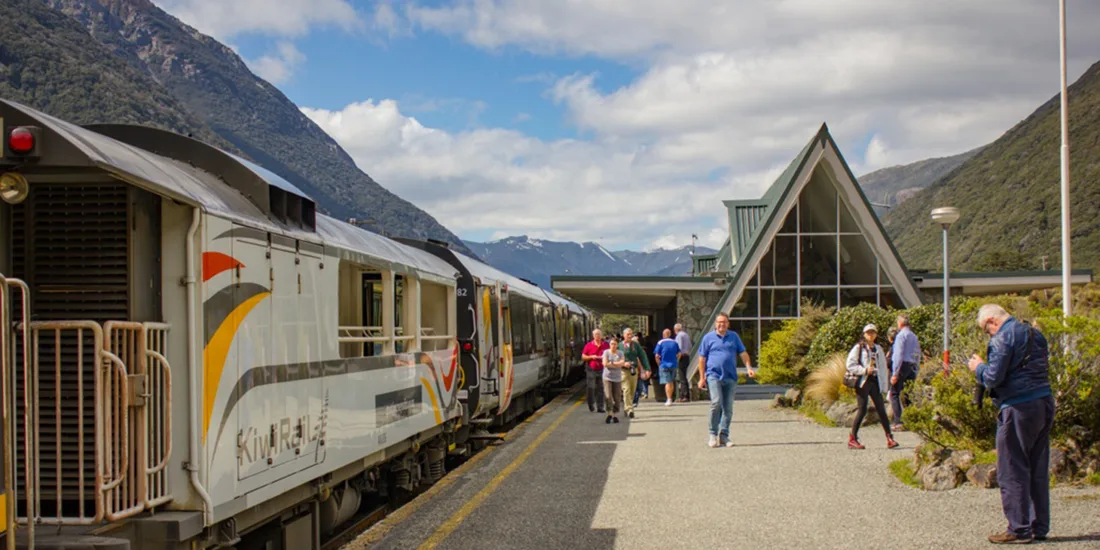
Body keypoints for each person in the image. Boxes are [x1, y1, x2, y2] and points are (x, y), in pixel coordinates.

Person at [966, 304, 1054, 545]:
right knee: (1037, 467)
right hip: (1044, 401)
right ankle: (1039, 526)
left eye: (986, 330)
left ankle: (1019, 529)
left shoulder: (1002, 338)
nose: (988, 334)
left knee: (1012, 468)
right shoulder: (1035, 334)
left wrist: (978, 367)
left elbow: (993, 377)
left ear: (992, 321)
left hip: (1018, 406)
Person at [697, 312, 755, 447]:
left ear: (728, 324)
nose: (721, 324)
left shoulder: (734, 337)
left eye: (724, 322)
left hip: (730, 377)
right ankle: (712, 434)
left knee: (728, 408)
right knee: (716, 403)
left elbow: (743, 353)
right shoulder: (708, 338)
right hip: (713, 375)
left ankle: (724, 436)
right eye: (719, 322)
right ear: (715, 324)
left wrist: (749, 367)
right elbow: (702, 358)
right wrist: (702, 377)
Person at [845, 324, 899, 450]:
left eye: (873, 332)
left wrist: (885, 385)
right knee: (862, 409)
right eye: (868, 332)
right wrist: (864, 370)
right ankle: (853, 438)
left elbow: (882, 368)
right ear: (864, 334)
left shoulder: (878, 348)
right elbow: (850, 364)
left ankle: (889, 437)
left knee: (881, 409)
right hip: (863, 382)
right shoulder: (859, 348)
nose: (871, 335)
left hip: (875, 381)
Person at [889, 313, 921, 430]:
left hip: (903, 365)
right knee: (909, 394)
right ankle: (911, 420)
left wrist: (895, 373)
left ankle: (898, 421)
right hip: (912, 366)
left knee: (895, 393)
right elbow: (918, 354)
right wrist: (917, 369)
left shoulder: (901, 336)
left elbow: (898, 355)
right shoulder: (913, 336)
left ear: (900, 323)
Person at [620, 328, 651, 418]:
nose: (629, 336)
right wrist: (623, 363)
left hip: (634, 371)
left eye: (631, 334)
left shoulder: (636, 345)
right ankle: (630, 409)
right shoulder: (619, 346)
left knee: (633, 390)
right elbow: (614, 357)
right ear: (624, 335)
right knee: (626, 389)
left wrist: (647, 368)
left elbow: (643, 356)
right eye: (628, 334)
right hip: (623, 371)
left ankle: (626, 407)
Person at [581, 329, 609, 413]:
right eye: (596, 334)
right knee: (591, 387)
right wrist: (591, 357)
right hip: (591, 369)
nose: (597, 336)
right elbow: (583, 356)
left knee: (601, 388)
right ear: (593, 336)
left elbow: (610, 354)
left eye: (599, 334)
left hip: (602, 368)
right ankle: (591, 404)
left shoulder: (606, 345)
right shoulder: (588, 345)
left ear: (601, 335)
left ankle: (600, 407)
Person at [601, 338, 628, 424]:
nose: (613, 345)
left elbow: (623, 362)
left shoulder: (620, 353)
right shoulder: (606, 352)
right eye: (612, 344)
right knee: (608, 396)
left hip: (617, 378)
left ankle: (615, 414)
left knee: (617, 397)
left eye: (615, 344)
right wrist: (617, 364)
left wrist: (611, 363)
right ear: (609, 344)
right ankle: (609, 413)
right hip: (607, 377)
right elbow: (605, 364)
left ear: (617, 345)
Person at [653, 329, 680, 407]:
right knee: (671, 382)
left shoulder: (660, 342)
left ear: (663, 335)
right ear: (670, 334)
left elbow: (656, 355)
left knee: (667, 382)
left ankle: (669, 399)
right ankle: (670, 397)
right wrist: (676, 361)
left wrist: (659, 364)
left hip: (664, 364)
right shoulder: (675, 342)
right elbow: (679, 354)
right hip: (673, 364)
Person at [674, 323, 692, 402]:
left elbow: (679, 348)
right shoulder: (686, 335)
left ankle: (684, 396)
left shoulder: (679, 336)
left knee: (682, 377)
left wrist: (677, 358)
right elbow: (690, 346)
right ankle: (685, 395)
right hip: (687, 356)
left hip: (682, 357)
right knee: (684, 376)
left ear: (675, 330)